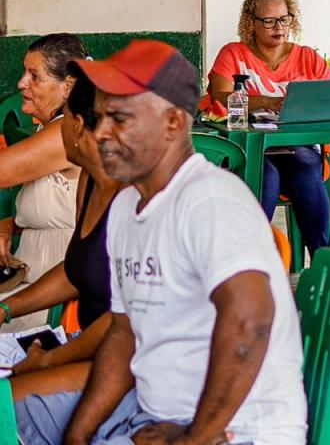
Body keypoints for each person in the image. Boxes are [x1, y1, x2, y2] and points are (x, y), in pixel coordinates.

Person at [14, 40, 305, 444]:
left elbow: (250, 320)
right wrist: (77, 436)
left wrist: (196, 436)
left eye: (120, 118)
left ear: (172, 123)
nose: (103, 133)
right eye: (101, 117)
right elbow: (124, 334)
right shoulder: (128, 205)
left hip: (238, 430)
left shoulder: (209, 200)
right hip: (149, 410)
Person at [5, 75, 123, 401]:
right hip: (89, 349)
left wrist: (49, 362)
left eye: (63, 120)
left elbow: (124, 325)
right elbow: (75, 271)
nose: (57, 130)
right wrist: (5, 309)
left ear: (78, 125)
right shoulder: (90, 180)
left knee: (9, 400)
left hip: (126, 367)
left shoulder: (134, 199)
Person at [206, 0, 330, 255]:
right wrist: (269, 101)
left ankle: (322, 259)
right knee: (266, 176)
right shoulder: (234, 54)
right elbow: (221, 95)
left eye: (284, 19)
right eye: (268, 21)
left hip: (297, 149)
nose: (279, 27)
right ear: (251, 22)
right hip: (251, 149)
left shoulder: (308, 58)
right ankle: (251, 258)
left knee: (307, 173)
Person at [0, 34, 87, 331]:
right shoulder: (50, 128)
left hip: (54, 298)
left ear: (68, 86)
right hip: (29, 280)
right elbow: (56, 210)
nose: (21, 83)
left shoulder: (66, 131)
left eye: (34, 76)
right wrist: (10, 224)